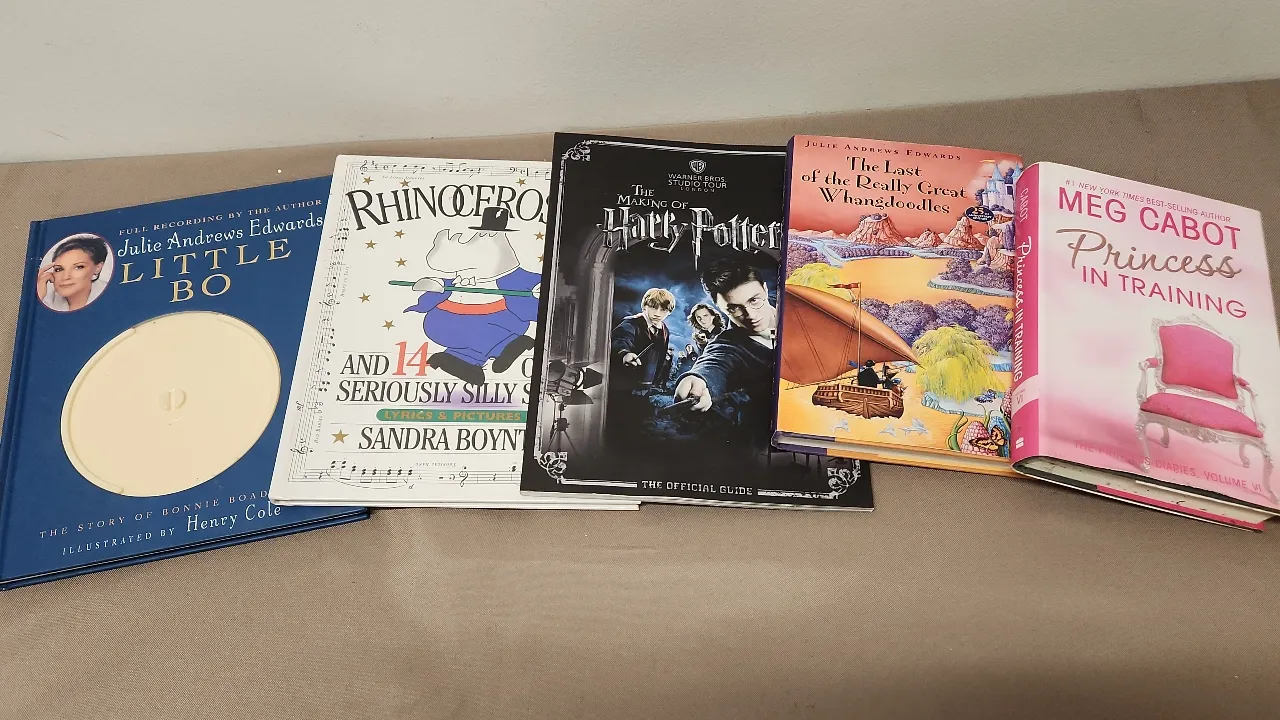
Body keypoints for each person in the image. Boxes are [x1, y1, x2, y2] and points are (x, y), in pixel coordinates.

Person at [672, 258, 776, 426]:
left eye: (754, 300)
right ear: (719, 308)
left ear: (765, 289)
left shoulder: (793, 301)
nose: (751, 315)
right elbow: (714, 363)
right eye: (734, 308)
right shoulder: (726, 345)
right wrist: (698, 380)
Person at [611, 287, 676, 390]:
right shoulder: (631, 323)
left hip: (647, 385)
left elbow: (660, 358)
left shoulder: (664, 331)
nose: (657, 314)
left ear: (669, 311)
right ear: (645, 306)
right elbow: (620, 339)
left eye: (663, 310)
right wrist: (625, 354)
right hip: (623, 384)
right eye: (653, 307)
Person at [38, 234, 109, 312]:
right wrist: (38, 295)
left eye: (78, 267)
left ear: (97, 268)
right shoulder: (47, 300)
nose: (65, 277)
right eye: (59, 269)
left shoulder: (111, 297)